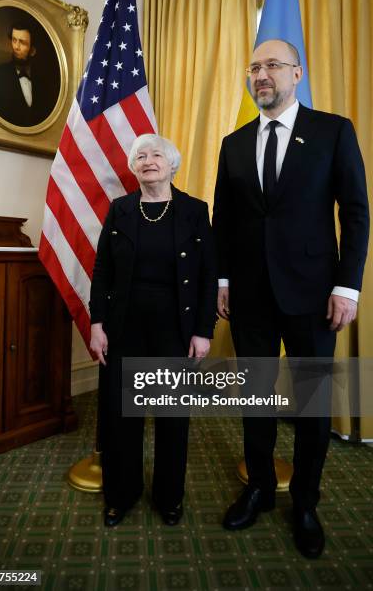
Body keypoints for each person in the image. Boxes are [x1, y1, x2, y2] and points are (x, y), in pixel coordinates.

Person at [213, 39, 369, 558]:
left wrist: (347, 285)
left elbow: (355, 212)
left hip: (314, 294)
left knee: (310, 407)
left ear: (297, 73)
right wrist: (223, 280)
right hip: (251, 297)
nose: (262, 75)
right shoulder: (233, 143)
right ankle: (258, 487)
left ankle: (305, 501)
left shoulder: (333, 130)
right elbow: (225, 223)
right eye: (255, 67)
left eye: (273, 66)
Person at [90, 133, 217, 527]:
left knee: (171, 418)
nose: (148, 160)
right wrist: (96, 323)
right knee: (119, 417)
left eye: (156, 154)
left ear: (171, 163)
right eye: (140, 156)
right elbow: (102, 271)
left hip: (174, 328)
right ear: (133, 167)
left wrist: (202, 329)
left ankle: (169, 497)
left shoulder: (195, 210)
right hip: (122, 326)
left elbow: (207, 275)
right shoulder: (120, 210)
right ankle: (121, 495)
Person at [0, 19, 56, 126]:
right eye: (14, 40)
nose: (16, 47)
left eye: (22, 43)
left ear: (33, 50)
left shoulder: (44, 82)